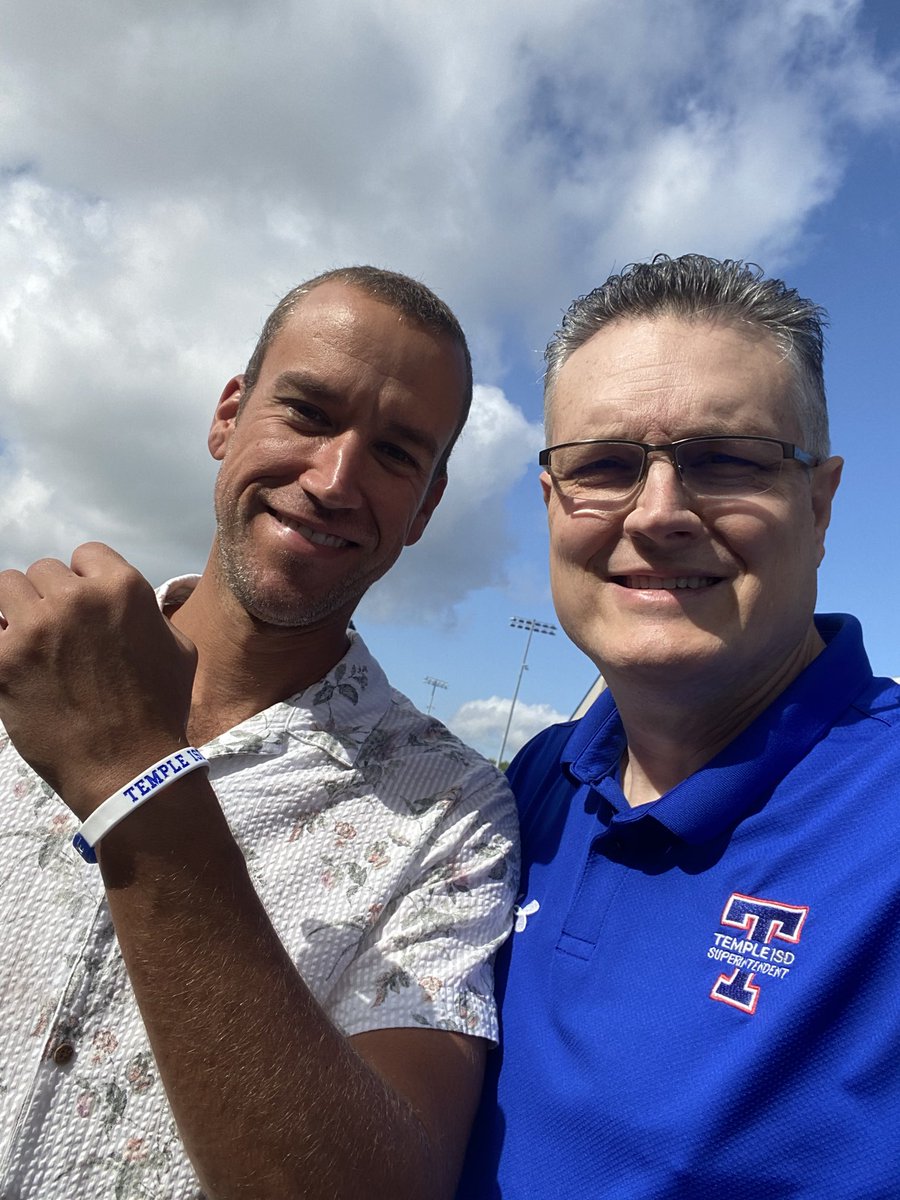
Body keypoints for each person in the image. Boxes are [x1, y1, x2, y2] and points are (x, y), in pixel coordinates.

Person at [0, 265, 518, 1200]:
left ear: (428, 507)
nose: (333, 480)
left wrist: (132, 774)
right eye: (309, 414)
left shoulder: (455, 810)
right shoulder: (24, 661)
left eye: (398, 455)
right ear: (227, 415)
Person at [458, 253, 900, 1198]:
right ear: (550, 505)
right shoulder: (531, 784)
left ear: (819, 505)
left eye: (725, 460)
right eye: (605, 466)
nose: (658, 514)